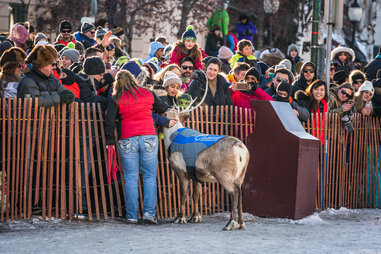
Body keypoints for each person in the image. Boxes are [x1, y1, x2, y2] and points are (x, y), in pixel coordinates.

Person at [104, 70, 167, 224]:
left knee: (131, 178)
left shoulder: (116, 98)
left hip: (128, 138)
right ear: (133, 80)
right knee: (150, 176)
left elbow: (109, 122)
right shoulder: (147, 93)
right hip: (148, 136)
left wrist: (110, 141)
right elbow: (162, 108)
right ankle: (149, 214)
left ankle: (131, 215)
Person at [295, 79, 328, 144]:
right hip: (305, 138)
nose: (319, 92)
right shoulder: (304, 102)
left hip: (319, 139)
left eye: (322, 90)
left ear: (325, 92)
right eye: (316, 89)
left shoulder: (323, 105)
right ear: (311, 90)